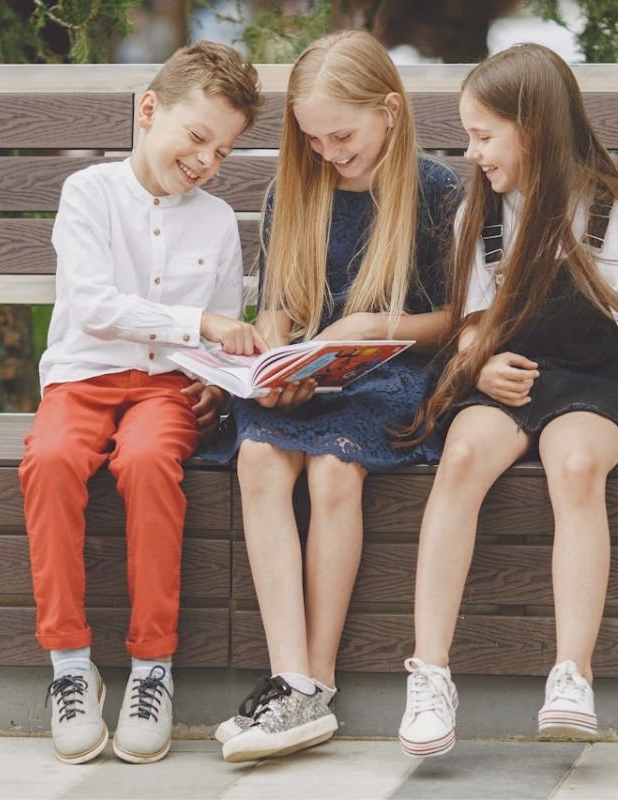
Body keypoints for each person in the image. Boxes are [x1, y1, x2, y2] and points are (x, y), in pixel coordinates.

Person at [395, 43, 618, 759]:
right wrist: (478, 368)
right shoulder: (480, 218)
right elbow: (471, 328)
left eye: (484, 135)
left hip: (597, 383)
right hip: (512, 378)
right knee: (461, 459)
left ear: (534, 129)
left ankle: (572, 672)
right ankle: (430, 672)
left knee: (574, 464)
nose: (472, 151)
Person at [200, 29, 462, 763]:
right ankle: (293, 680)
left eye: (341, 135)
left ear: (390, 110)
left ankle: (316, 683)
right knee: (259, 456)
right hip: (313, 371)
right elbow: (280, 302)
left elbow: (458, 319)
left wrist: (380, 324)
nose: (329, 152)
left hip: (395, 371)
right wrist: (276, 355)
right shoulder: (298, 185)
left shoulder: (437, 189)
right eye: (313, 140)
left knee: (332, 469)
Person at [17, 41, 265, 766]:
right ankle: (70, 666)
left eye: (222, 151)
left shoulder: (218, 220)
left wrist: (217, 381)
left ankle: (152, 667)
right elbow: (93, 306)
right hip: (82, 378)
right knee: (53, 460)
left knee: (152, 463)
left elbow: (223, 329)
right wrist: (202, 327)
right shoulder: (89, 193)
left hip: (164, 389)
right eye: (197, 137)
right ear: (149, 110)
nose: (205, 161)